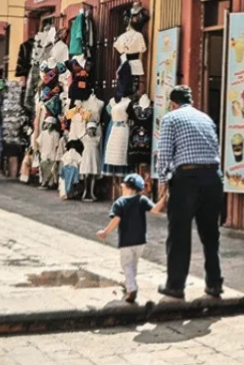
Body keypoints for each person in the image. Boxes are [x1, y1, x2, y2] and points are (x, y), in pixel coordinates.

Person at [153, 85, 224, 299]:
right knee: (211, 235)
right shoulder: (205, 119)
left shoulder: (171, 119)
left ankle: (175, 285)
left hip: (187, 180)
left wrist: (163, 183)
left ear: (173, 103)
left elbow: (164, 153)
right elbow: (216, 149)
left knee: (179, 234)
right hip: (213, 178)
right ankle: (214, 283)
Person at [96, 174, 164, 303]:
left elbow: (116, 220)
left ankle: (131, 288)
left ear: (126, 188)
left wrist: (105, 232)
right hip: (140, 241)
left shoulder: (119, 202)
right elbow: (155, 210)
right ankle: (129, 282)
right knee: (134, 264)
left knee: (126, 264)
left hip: (126, 241)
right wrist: (163, 198)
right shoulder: (142, 199)